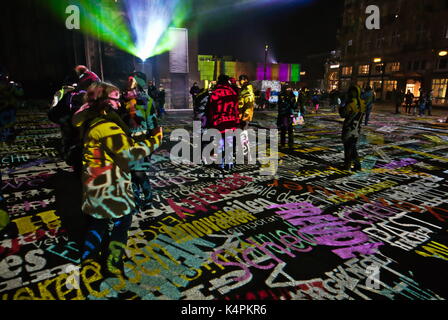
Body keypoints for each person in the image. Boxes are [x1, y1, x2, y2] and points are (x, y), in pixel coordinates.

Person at [72, 82, 162, 278]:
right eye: (115, 98)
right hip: (110, 185)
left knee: (98, 222)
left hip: (95, 182)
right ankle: (113, 261)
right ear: (104, 100)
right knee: (122, 221)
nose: (119, 103)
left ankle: (88, 257)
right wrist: (155, 140)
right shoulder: (106, 126)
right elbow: (128, 154)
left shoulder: (90, 120)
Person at [121, 74, 159, 212]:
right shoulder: (121, 101)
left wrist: (153, 142)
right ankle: (136, 201)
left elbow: (152, 122)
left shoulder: (146, 101)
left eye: (132, 83)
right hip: (126, 142)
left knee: (139, 173)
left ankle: (148, 198)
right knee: (131, 174)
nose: (129, 85)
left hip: (142, 141)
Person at [206, 75, 240, 170]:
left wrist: (211, 122)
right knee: (229, 142)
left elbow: (211, 110)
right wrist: (237, 121)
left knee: (219, 143)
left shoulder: (215, 93)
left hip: (219, 122)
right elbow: (236, 109)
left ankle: (220, 163)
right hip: (231, 122)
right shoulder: (233, 92)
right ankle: (229, 163)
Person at [339, 85, 366, 171]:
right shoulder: (362, 103)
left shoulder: (350, 103)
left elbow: (343, 114)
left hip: (349, 128)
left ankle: (347, 166)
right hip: (357, 128)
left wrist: (342, 105)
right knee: (352, 147)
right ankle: (357, 165)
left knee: (348, 148)